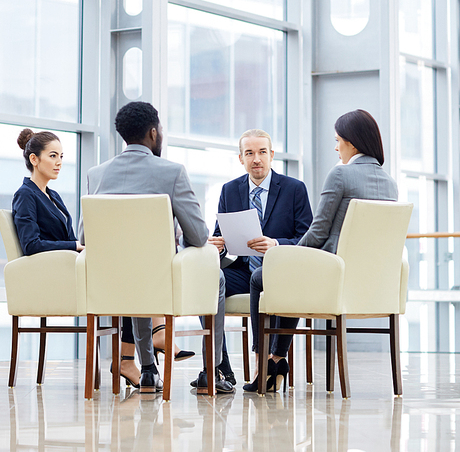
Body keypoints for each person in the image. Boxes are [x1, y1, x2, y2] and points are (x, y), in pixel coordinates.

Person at [82, 101, 234, 395]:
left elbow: (85, 237)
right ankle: (211, 372)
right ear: (153, 133)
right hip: (160, 280)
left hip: (109, 283)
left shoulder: (96, 174)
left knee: (138, 278)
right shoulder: (172, 172)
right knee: (215, 278)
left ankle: (149, 371)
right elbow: (199, 238)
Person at [248, 109, 399, 391]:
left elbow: (317, 233)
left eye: (338, 140)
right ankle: (277, 358)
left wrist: (286, 255)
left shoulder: (341, 174)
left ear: (351, 143)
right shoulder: (391, 184)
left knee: (262, 277)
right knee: (288, 276)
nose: (335, 147)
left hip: (330, 277)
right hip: (370, 283)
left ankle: (265, 362)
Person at [201, 129, 312, 392]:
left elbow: (307, 239)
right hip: (241, 268)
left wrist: (275, 243)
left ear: (272, 155)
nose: (256, 159)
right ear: (241, 158)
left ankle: (265, 362)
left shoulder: (294, 189)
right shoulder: (230, 190)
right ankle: (219, 365)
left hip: (279, 270)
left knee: (258, 278)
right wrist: (216, 244)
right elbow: (219, 234)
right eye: (249, 153)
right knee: (203, 280)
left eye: (262, 152)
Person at [12, 129, 84, 256]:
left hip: (67, 261)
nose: (59, 162)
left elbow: (70, 238)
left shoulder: (54, 195)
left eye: (61, 156)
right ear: (34, 159)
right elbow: (31, 245)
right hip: (50, 266)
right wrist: (74, 245)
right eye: (53, 156)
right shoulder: (25, 194)